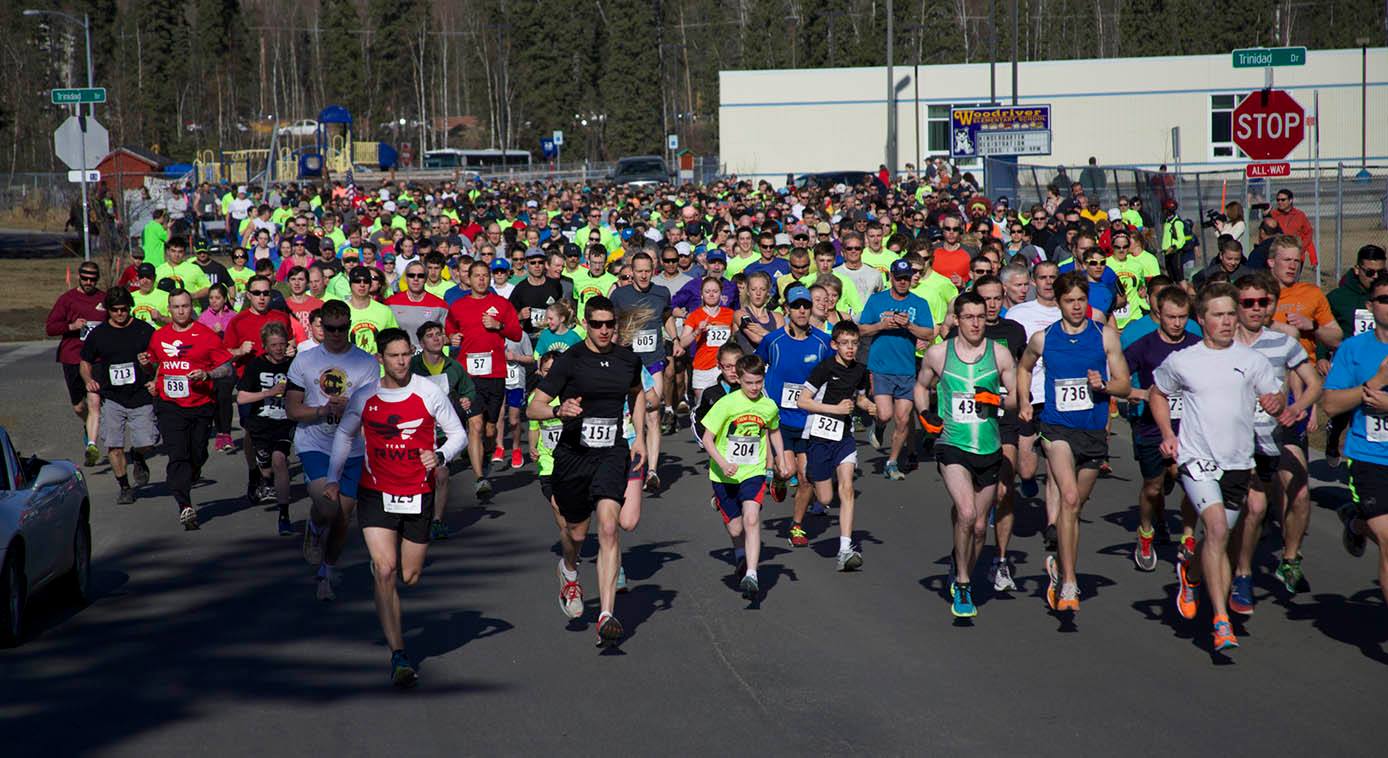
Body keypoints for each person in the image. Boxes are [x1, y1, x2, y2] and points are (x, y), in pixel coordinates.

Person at [324, 327, 466, 687]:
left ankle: (391, 577)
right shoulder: (366, 396)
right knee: (385, 570)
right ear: (381, 359)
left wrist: (439, 454)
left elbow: (458, 434)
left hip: (418, 492)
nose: (402, 361)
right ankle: (399, 654)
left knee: (410, 575)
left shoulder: (427, 391)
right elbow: (345, 434)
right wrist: (332, 477)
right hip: (376, 491)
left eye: (406, 354)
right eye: (394, 355)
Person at [1150, 282, 1285, 652]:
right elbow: (1157, 393)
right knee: (1213, 528)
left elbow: (1273, 393)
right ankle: (1221, 620)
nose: (1227, 321)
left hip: (1238, 462)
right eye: (1218, 315)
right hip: (1197, 459)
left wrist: (1276, 401)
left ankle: (1189, 574)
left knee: (1217, 538)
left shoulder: (1252, 360)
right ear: (1202, 319)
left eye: (1230, 314)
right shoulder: (1184, 360)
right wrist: (1167, 433)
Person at [527, 295, 646, 647]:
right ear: (585, 323)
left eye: (610, 323)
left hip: (612, 450)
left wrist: (638, 436)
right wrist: (557, 411)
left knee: (609, 527)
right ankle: (568, 569)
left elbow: (637, 393)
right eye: (597, 324)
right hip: (573, 454)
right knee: (577, 535)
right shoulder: (570, 360)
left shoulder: (627, 359)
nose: (605, 330)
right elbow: (534, 407)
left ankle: (607, 614)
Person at [1017, 272, 1131, 613]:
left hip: (1093, 431)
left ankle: (1057, 564)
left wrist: (1104, 386)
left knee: (1075, 507)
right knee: (1067, 497)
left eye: (1082, 299)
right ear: (1059, 303)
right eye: (1070, 301)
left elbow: (1124, 385)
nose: (1077, 306)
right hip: (1057, 428)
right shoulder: (1043, 338)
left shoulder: (1106, 337)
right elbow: (1024, 368)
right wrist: (1024, 401)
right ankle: (1069, 581)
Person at [916, 292, 1017, 617]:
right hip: (951, 443)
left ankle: (961, 566)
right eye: (969, 317)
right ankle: (962, 582)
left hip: (989, 447)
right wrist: (925, 413)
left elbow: (1017, 399)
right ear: (957, 320)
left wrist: (997, 401)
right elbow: (921, 386)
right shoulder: (938, 353)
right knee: (967, 510)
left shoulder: (1000, 355)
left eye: (980, 316)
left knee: (977, 528)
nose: (976, 322)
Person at [1233, 272, 1322, 602]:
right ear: (1237, 305)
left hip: (1278, 433)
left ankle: (1290, 557)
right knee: (1254, 508)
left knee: (1299, 491)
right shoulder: (1224, 345)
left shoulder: (1284, 342)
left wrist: (1296, 407)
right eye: (1248, 303)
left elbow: (1314, 384)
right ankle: (1242, 572)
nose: (1256, 309)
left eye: (1263, 302)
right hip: (1238, 440)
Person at [286, 299, 381, 601]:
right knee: (328, 506)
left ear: (350, 326)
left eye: (342, 328)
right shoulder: (305, 360)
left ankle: (326, 571)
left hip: (352, 449)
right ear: (320, 328)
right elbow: (292, 409)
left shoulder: (366, 363)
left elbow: (374, 410)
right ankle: (314, 527)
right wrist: (323, 410)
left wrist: (353, 412)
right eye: (331, 328)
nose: (337, 334)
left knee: (343, 517)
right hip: (315, 444)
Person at [1122, 286, 1201, 572]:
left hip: (1190, 428)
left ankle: (1189, 537)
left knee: (1192, 484)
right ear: (1159, 315)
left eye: (1182, 317)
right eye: (1171, 317)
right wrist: (1140, 393)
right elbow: (1118, 378)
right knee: (1153, 488)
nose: (1177, 323)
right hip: (1152, 428)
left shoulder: (1197, 343)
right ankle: (1145, 533)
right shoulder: (1144, 346)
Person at [1323, 272, 1388, 606]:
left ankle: (1355, 521)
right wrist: (1373, 385)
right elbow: (1331, 404)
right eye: (1384, 300)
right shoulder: (1354, 350)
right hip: (1369, 458)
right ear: (1370, 305)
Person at [701, 354, 789, 599]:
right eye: (749, 382)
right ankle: (740, 554)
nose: (754, 388)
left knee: (751, 519)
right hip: (723, 474)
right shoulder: (727, 404)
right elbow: (708, 439)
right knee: (736, 527)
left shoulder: (768, 406)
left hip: (753, 471)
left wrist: (780, 457)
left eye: (758, 382)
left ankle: (752, 573)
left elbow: (774, 431)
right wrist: (723, 463)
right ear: (738, 379)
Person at [148, 289, 235, 530]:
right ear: (169, 309)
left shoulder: (205, 335)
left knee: (197, 452)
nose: (181, 311)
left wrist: (207, 373)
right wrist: (151, 377)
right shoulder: (159, 336)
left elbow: (227, 368)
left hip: (200, 404)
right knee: (177, 453)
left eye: (185, 306)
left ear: (191, 307)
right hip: (170, 405)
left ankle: (193, 473)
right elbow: (157, 363)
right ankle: (184, 504)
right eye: (176, 307)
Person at [798, 321, 877, 570]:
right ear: (835, 345)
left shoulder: (861, 370)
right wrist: (836, 409)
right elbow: (803, 401)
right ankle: (814, 480)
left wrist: (869, 406)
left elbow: (860, 397)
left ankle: (845, 549)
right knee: (826, 497)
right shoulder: (823, 368)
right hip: (819, 436)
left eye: (854, 343)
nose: (850, 348)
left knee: (847, 488)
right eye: (845, 343)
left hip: (844, 436)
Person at [445, 261, 523, 500]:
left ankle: (485, 460)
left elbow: (517, 333)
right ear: (468, 278)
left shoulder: (501, 305)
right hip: (468, 376)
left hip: (495, 374)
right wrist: (452, 337)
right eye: (476, 275)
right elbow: (450, 330)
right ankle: (480, 479)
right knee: (475, 425)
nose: (480, 279)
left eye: (484, 275)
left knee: (490, 429)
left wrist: (498, 325)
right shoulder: (458, 306)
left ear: (489, 278)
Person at [858, 259, 937, 481]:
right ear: (891, 277)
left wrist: (908, 325)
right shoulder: (877, 300)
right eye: (898, 277)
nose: (902, 282)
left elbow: (929, 334)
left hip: (906, 369)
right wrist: (881, 326)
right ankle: (879, 425)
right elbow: (862, 329)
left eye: (906, 278)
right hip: (881, 366)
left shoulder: (919, 303)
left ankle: (892, 462)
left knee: (903, 420)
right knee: (885, 413)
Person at [78, 287, 157, 504]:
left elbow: (158, 357)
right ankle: (124, 487)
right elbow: (84, 362)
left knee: (148, 441)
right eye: (115, 310)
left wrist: (151, 370)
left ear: (130, 307)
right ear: (109, 310)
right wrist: (88, 380)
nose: (120, 314)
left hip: (140, 396)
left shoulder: (143, 330)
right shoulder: (99, 334)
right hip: (112, 397)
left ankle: (139, 456)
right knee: (114, 445)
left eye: (124, 309)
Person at [974, 275, 1027, 590]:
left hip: (1003, 416)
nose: (992, 305)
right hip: (970, 421)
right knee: (972, 500)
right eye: (986, 299)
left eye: (996, 298)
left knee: (1005, 491)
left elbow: (1023, 369)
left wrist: (1022, 401)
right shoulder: (962, 331)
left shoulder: (1014, 331)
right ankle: (964, 549)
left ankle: (1002, 560)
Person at [610, 252, 674, 492]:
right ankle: (631, 460)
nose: (644, 274)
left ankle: (653, 471)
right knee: (627, 417)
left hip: (653, 361)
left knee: (652, 413)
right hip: (627, 364)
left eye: (648, 270)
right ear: (632, 272)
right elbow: (610, 323)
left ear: (653, 270)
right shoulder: (619, 295)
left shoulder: (661, 293)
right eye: (639, 271)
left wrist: (674, 338)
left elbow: (666, 317)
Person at [411, 320, 477, 541]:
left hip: (442, 433)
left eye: (439, 334)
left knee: (442, 473)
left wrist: (467, 399)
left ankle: (437, 521)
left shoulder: (454, 366)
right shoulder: (411, 366)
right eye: (430, 335)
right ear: (421, 342)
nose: (436, 338)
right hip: (414, 431)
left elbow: (468, 390)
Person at [1004, 262, 1061, 508]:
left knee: (1055, 466)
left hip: (1058, 397)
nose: (1048, 282)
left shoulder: (1069, 311)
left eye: (1053, 277)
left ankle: (1053, 524)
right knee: (1027, 469)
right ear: (1034, 282)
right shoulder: (1019, 314)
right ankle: (1026, 478)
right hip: (1030, 394)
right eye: (1042, 277)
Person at [1324, 245, 1387, 466]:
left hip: (1378, 357)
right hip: (1351, 360)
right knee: (1346, 407)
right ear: (1357, 270)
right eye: (1370, 272)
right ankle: (1335, 436)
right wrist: (1323, 355)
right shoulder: (1339, 297)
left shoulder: (1384, 291)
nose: (1375, 276)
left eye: (1380, 271)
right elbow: (1325, 325)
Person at [235, 321, 296, 535]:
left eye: (282, 344)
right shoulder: (256, 366)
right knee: (266, 466)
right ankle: (263, 477)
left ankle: (284, 515)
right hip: (260, 423)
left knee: (280, 460)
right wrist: (269, 393)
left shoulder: (294, 365)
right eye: (273, 345)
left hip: (285, 422)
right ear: (265, 346)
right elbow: (242, 398)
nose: (279, 349)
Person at [45, 259, 107, 466]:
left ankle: (92, 444)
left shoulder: (103, 299)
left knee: (94, 402)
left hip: (96, 359)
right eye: (85, 278)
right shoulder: (67, 299)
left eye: (92, 279)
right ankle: (87, 425)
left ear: (97, 279)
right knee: (79, 407)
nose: (88, 282)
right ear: (79, 277)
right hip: (72, 357)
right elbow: (50, 328)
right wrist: (71, 325)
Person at [676, 277, 739, 410]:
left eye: (715, 291)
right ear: (702, 295)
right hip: (702, 367)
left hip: (725, 367)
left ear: (721, 294)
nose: (711, 294)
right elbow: (682, 343)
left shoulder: (730, 314)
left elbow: (737, 338)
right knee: (703, 409)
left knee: (727, 408)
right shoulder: (695, 315)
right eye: (707, 291)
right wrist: (697, 331)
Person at [385, 261, 449, 350]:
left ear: (426, 279)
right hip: (399, 356)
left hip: (429, 358)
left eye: (420, 276)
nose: (416, 279)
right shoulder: (390, 303)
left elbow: (447, 336)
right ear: (406, 278)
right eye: (411, 275)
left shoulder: (440, 305)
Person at [1267, 189, 1313, 253]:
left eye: (1283, 200)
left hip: (1295, 253)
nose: (1280, 202)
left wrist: (1301, 248)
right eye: (1278, 200)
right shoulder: (1273, 215)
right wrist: (1266, 216)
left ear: (1290, 200)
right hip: (1279, 253)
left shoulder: (1299, 215)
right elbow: (1266, 232)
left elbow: (1308, 233)